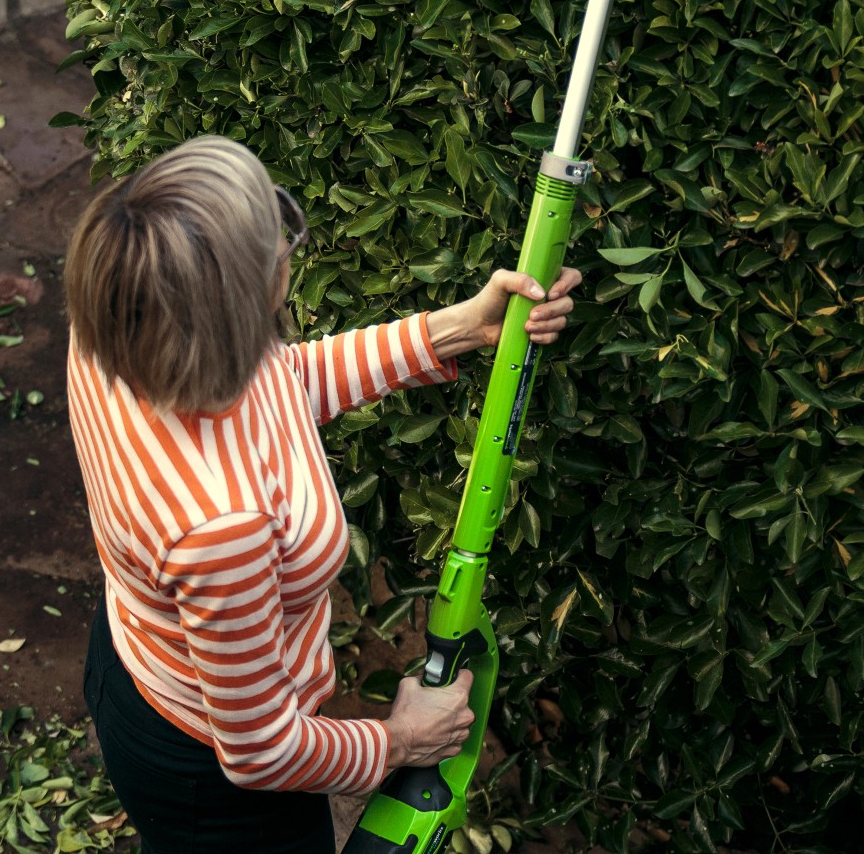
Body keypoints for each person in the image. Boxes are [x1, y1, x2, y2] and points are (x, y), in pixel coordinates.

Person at [64, 135, 582, 854]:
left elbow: (281, 382)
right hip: (211, 786)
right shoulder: (222, 529)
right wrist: (400, 739)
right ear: (235, 308)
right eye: (276, 241)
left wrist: (459, 328)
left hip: (138, 655)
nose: (287, 246)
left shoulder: (122, 315)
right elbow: (262, 752)